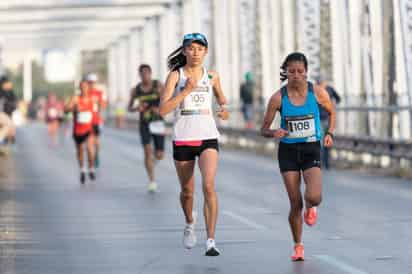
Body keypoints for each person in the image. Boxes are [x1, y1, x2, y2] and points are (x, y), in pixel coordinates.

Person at [260, 52, 336, 261]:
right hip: (288, 152)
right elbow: (263, 129)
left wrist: (329, 133)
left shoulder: (317, 92)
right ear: (286, 73)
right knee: (295, 203)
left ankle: (311, 207)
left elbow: (331, 111)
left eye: (300, 71)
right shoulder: (278, 98)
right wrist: (274, 132)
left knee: (313, 196)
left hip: (311, 148)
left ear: (306, 72)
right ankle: (298, 246)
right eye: (291, 72)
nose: (295, 75)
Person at [160, 33, 229, 256]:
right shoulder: (175, 76)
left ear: (206, 52)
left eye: (200, 48)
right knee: (187, 192)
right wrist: (186, 91)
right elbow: (162, 110)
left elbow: (221, 98)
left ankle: (211, 240)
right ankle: (190, 222)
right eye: (191, 48)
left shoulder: (212, 75)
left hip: (208, 136)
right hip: (183, 138)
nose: (196, 52)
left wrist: (224, 109)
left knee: (208, 186)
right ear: (184, 51)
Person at [128, 64, 165, 192]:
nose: (145, 76)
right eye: (142, 74)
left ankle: (152, 161)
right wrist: (136, 108)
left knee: (160, 155)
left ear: (150, 73)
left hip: (157, 122)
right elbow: (129, 107)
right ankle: (152, 181)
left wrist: (159, 108)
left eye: (147, 73)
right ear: (139, 75)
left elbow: (167, 99)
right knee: (147, 151)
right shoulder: (136, 90)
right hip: (144, 123)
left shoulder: (158, 85)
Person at [64, 80, 96, 184]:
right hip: (78, 130)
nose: (84, 89)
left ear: (88, 88)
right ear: (80, 88)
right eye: (82, 87)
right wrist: (73, 108)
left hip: (89, 129)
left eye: (86, 86)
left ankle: (91, 168)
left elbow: (96, 111)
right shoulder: (75, 99)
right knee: (80, 150)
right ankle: (82, 169)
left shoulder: (92, 98)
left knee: (90, 150)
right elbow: (65, 110)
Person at [317, 78, 341, 169]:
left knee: (326, 141)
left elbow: (338, 99)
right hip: (319, 119)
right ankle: (322, 163)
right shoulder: (316, 91)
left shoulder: (329, 89)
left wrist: (333, 107)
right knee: (321, 142)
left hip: (327, 119)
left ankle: (326, 163)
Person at [86, 73, 107, 168]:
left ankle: (96, 154)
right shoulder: (84, 93)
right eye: (89, 82)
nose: (91, 84)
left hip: (97, 120)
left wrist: (98, 103)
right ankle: (91, 156)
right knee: (89, 141)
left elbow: (104, 105)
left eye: (93, 82)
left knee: (97, 142)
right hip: (86, 121)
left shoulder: (99, 93)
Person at [0, 77, 17, 144]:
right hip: (1, 113)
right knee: (9, 125)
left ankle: (6, 140)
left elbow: (14, 103)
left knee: (9, 126)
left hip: (8, 114)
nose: (10, 84)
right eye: (8, 83)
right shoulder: (1, 92)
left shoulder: (10, 92)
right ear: (4, 84)